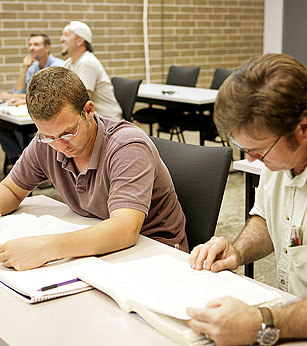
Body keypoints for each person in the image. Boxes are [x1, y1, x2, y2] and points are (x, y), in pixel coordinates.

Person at [0, 66, 188, 272]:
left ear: (89, 110)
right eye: (49, 137)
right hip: (99, 239)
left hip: (156, 252)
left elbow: (125, 228)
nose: (60, 146)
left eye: (68, 133)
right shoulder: (46, 142)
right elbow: (10, 190)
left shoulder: (127, 147)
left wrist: (46, 248)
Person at [186, 53, 307, 345]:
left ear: (303, 130)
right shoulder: (278, 158)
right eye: (244, 148)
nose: (252, 159)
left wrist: (261, 321)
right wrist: (237, 252)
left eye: (259, 151)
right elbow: (267, 218)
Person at [0, 33, 64, 171]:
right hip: (33, 112)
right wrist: (25, 69)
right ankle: (19, 159)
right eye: (30, 45)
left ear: (47, 48)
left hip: (51, 116)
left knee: (22, 131)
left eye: (36, 44)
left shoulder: (57, 66)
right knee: (3, 125)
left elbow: (49, 96)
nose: (31, 48)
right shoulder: (34, 66)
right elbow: (19, 91)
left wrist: (19, 97)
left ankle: (30, 166)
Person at [60, 21, 122, 121]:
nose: (61, 39)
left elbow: (81, 100)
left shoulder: (87, 62)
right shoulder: (69, 63)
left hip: (107, 123)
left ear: (80, 41)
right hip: (91, 120)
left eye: (66, 35)